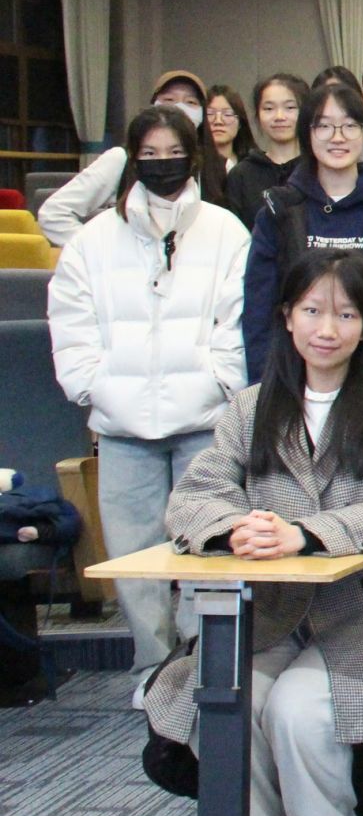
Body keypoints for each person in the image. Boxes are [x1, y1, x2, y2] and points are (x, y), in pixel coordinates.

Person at [143, 251, 363, 816]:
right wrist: (233, 529)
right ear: (286, 317)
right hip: (274, 615)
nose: (327, 329)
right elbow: (192, 499)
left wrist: (305, 534)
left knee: (297, 711)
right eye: (312, 311)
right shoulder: (250, 408)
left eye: (346, 314)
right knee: (231, 700)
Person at [48, 104, 250, 701]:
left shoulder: (225, 230)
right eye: (150, 155)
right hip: (122, 426)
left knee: (205, 552)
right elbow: (71, 322)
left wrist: (220, 382)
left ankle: (196, 668)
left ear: (195, 156)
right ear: (132, 160)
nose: (163, 165)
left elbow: (237, 321)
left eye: (175, 153)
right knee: (135, 561)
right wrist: (95, 386)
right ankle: (151, 670)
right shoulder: (93, 239)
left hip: (203, 421)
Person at [243, 82, 363, 378]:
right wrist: (268, 382)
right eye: (324, 126)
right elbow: (259, 310)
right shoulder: (278, 212)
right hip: (293, 380)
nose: (338, 137)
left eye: (350, 126)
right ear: (307, 133)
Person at [40, 70, 218, 243]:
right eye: (169, 100)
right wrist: (97, 250)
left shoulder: (218, 167)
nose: (179, 107)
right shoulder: (120, 159)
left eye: (190, 102)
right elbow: (54, 213)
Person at [226, 74, 309, 227]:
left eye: (290, 108)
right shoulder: (241, 174)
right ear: (258, 115)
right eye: (269, 108)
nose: (279, 116)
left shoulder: (318, 169)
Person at [205, 85, 255, 175]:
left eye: (227, 114)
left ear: (240, 123)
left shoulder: (254, 165)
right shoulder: (194, 166)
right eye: (210, 113)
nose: (218, 121)